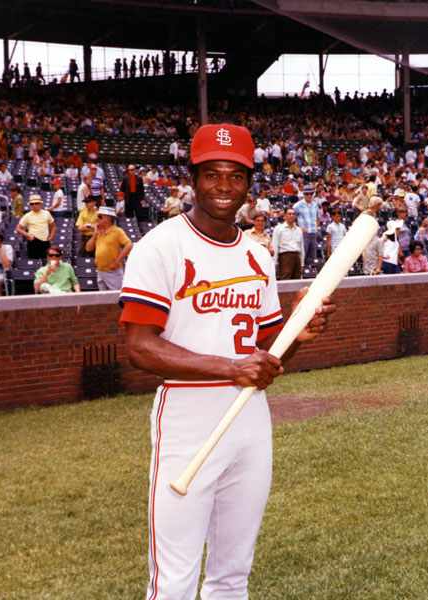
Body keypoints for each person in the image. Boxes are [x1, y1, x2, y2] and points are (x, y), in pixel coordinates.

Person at [118, 123, 335, 599]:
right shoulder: (161, 245)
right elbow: (140, 347)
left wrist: (298, 330)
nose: (223, 186)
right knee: (174, 579)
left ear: (249, 183)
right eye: (211, 174)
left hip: (250, 417)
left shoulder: (257, 255)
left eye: (235, 176)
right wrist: (231, 368)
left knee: (233, 576)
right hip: (188, 412)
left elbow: (268, 351)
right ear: (192, 179)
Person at [86, 206, 133, 290]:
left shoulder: (117, 231)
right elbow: (88, 248)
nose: (97, 218)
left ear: (107, 219)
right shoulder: (99, 232)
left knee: (115, 296)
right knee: (103, 297)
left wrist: (117, 261)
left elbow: (129, 245)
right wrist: (95, 235)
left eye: (100, 216)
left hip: (113, 271)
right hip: (100, 271)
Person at [16, 195, 56, 259]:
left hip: (45, 241)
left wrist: (51, 236)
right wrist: (28, 235)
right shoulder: (27, 215)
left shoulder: (46, 213)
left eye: (36, 203)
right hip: (33, 242)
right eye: (32, 204)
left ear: (40, 204)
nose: (34, 205)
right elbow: (18, 229)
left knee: (46, 261)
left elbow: (53, 226)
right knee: (34, 261)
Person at [272, 206, 304, 279]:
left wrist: (302, 263)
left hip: (297, 256)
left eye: (293, 214)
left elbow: (301, 247)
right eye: (289, 214)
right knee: (285, 279)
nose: (291, 216)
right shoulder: (279, 228)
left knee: (297, 280)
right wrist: (274, 262)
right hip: (285, 257)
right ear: (285, 216)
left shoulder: (298, 230)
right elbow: (275, 245)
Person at [293, 183, 318, 263]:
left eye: (311, 194)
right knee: (302, 256)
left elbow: (318, 217)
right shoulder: (297, 205)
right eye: (307, 194)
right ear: (303, 194)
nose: (309, 195)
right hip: (304, 234)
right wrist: (297, 227)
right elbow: (290, 217)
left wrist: (317, 227)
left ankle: (310, 270)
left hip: (313, 233)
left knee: (312, 257)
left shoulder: (315, 205)